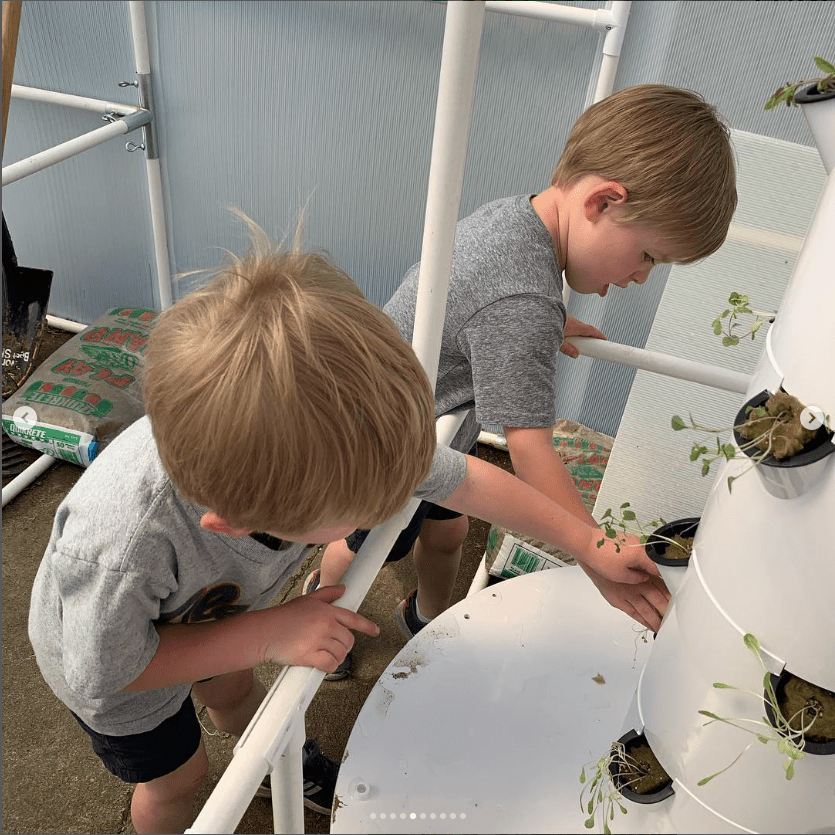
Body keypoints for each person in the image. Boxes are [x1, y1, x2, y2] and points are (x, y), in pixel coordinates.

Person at [27, 210, 667, 834]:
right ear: (236, 522)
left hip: (211, 611)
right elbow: (108, 670)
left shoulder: (335, 441)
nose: (387, 509)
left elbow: (467, 480)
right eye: (362, 511)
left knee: (235, 690)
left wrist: (588, 543)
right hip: (112, 657)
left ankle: (280, 763)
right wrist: (269, 632)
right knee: (180, 778)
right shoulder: (122, 546)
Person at [313, 83, 737, 676]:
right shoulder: (522, 299)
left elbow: (483, 299)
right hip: (383, 444)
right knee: (357, 552)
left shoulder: (520, 221)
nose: (642, 277)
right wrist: (596, 553)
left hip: (433, 419)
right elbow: (529, 447)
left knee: (450, 528)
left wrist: (548, 321)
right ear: (602, 203)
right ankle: (322, 621)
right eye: (648, 256)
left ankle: (429, 619)